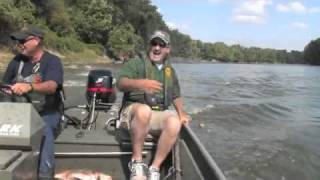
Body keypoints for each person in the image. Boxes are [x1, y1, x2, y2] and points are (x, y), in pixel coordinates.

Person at [117, 30, 190, 180]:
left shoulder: (170, 71)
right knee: (144, 110)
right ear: (149, 46)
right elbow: (120, 83)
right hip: (133, 112)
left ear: (167, 49)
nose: (157, 48)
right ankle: (137, 162)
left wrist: (181, 113)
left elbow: (175, 95)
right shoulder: (135, 63)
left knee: (174, 121)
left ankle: (154, 168)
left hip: (156, 113)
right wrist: (139, 84)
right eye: (154, 43)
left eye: (161, 45)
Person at [2, 26, 64, 179]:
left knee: (44, 131)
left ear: (36, 41)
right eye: (18, 41)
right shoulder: (16, 61)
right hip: (19, 112)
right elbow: (4, 84)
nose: (19, 44)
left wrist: (29, 87)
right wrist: (7, 90)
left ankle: (45, 174)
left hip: (47, 112)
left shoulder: (52, 61)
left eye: (23, 40)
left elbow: (52, 86)